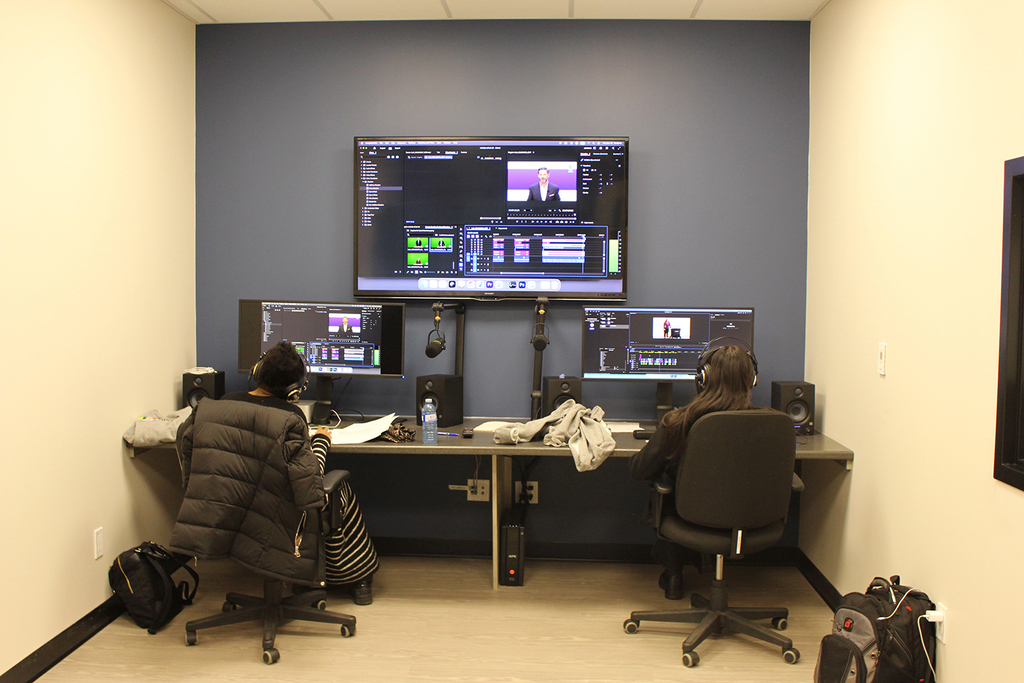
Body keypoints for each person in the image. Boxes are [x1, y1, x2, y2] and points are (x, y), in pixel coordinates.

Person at [169, 341, 379, 604]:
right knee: (339, 488)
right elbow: (310, 483)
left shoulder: (217, 406)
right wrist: (321, 441)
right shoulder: (291, 417)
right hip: (275, 515)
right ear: (294, 391)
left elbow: (187, 448)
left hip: (227, 508)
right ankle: (356, 577)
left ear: (256, 371)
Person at [629, 345, 773, 600]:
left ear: (702, 379)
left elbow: (639, 470)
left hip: (690, 519)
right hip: (753, 523)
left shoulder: (677, 422)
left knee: (667, 487)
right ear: (752, 380)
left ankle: (674, 573)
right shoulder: (772, 423)